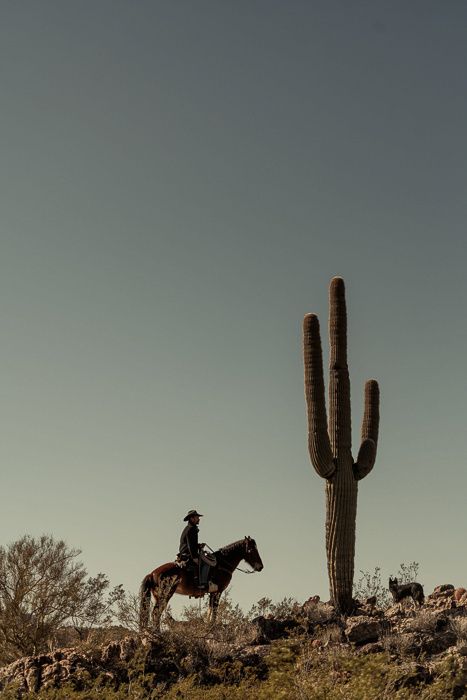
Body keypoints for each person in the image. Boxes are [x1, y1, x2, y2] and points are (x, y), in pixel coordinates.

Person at [178, 509, 210, 589]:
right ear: (192, 518)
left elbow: (191, 544)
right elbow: (190, 546)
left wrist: (198, 546)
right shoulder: (191, 529)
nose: (199, 519)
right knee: (206, 563)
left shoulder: (189, 528)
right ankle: (202, 583)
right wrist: (194, 557)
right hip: (188, 554)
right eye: (197, 517)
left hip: (185, 552)